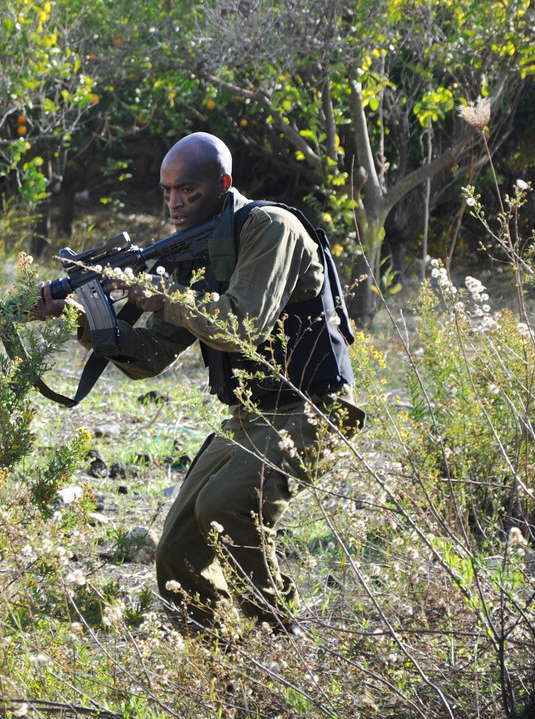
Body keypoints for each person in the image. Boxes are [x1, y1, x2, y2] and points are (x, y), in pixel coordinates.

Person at [35, 132, 362, 632]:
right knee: (178, 550)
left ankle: (280, 638)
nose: (175, 203)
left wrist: (169, 297)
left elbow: (242, 327)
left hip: (312, 407)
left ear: (223, 184)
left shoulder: (270, 228)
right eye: (167, 191)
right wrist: (83, 319)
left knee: (226, 507)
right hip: (250, 415)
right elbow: (150, 357)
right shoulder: (191, 251)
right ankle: (218, 653)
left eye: (188, 190)